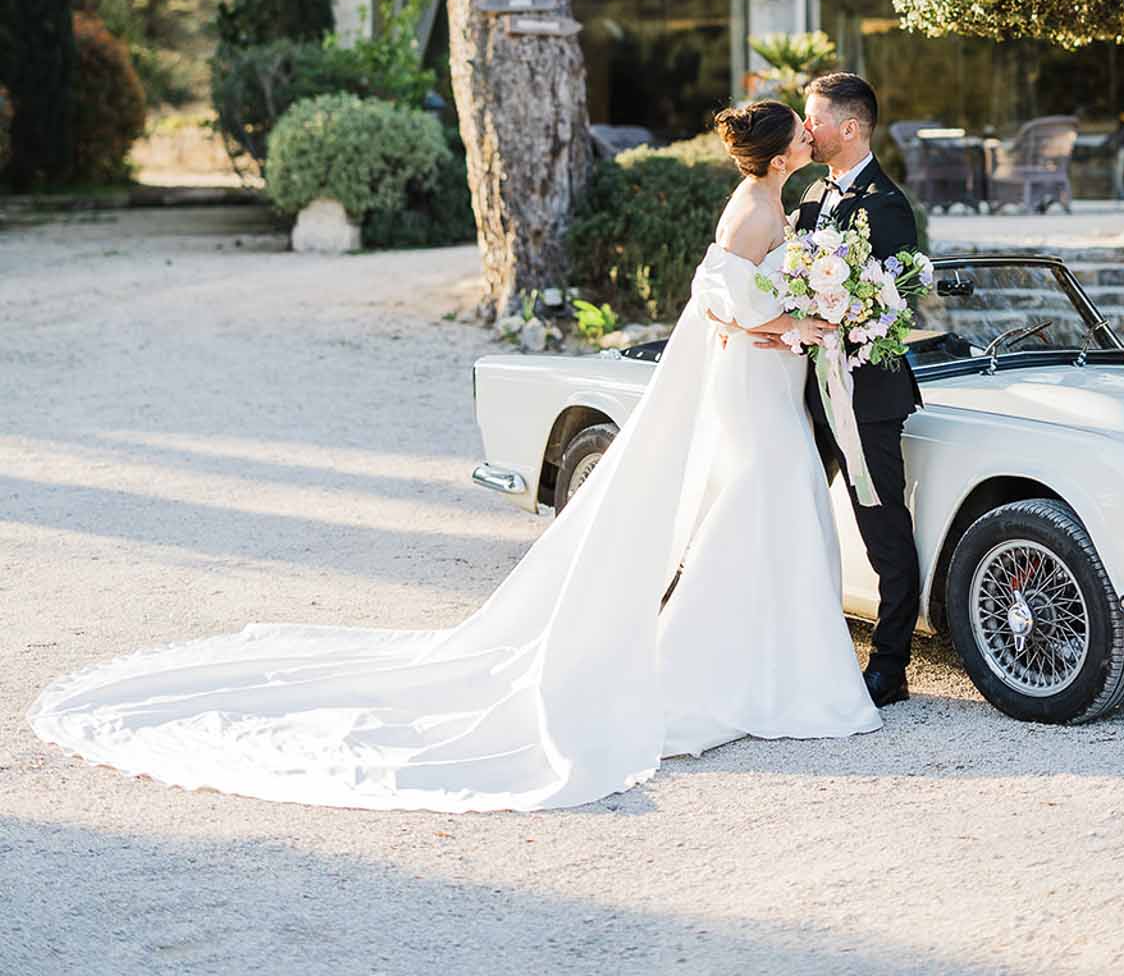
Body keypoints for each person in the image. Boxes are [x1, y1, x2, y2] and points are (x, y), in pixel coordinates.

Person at [29, 100, 879, 815]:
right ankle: (737, 672)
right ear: (778, 155)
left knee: (773, 504)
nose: (813, 135)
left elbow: (723, 300)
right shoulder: (757, 211)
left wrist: (790, 315)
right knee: (765, 500)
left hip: (765, 383)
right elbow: (723, 297)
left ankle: (777, 667)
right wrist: (792, 321)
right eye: (802, 133)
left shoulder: (775, 207)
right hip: (755, 386)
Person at [788, 72, 923, 709]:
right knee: (795, 517)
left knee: (882, 530)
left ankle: (890, 666)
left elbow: (889, 308)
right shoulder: (813, 191)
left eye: (813, 119)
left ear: (849, 127)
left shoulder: (887, 205)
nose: (804, 128)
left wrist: (842, 312)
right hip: (808, 390)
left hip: (865, 395)